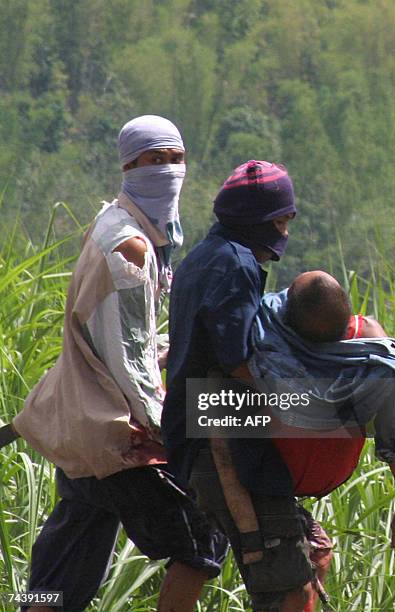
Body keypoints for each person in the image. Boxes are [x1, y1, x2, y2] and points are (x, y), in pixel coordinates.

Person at [12, 115, 227, 612]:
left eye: (176, 160)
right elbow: (129, 362)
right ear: (129, 166)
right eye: (155, 161)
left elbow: (126, 338)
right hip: (114, 431)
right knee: (201, 542)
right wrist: (166, 427)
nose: (169, 171)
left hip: (81, 423)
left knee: (63, 567)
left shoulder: (114, 221)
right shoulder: (129, 246)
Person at [162, 159, 319, 612]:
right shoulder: (236, 263)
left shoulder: (202, 257)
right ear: (263, 221)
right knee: (288, 587)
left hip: (193, 435)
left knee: (207, 564)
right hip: (225, 445)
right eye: (283, 220)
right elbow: (237, 360)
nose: (285, 232)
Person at [258, 271, 395, 611]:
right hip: (260, 480)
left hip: (300, 481)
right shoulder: (265, 331)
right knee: (295, 580)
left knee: (313, 560)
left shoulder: (372, 352)